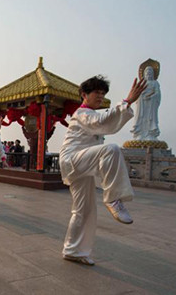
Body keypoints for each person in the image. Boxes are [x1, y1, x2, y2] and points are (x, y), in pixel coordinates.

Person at [59, 75, 147, 266]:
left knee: (84, 210)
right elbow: (102, 121)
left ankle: (73, 250)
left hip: (81, 165)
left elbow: (105, 123)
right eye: (96, 92)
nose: (100, 96)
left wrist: (125, 105)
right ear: (84, 94)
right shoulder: (83, 113)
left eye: (102, 93)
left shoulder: (91, 115)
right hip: (73, 160)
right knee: (112, 149)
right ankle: (114, 198)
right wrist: (127, 101)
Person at [131, 64, 161, 141]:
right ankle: (140, 134)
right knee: (141, 118)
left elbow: (157, 93)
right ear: (144, 73)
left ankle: (150, 134)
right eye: (147, 71)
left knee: (150, 118)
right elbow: (137, 93)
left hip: (151, 103)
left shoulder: (155, 83)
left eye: (150, 71)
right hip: (142, 104)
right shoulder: (141, 83)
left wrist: (151, 97)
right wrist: (141, 96)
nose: (148, 72)